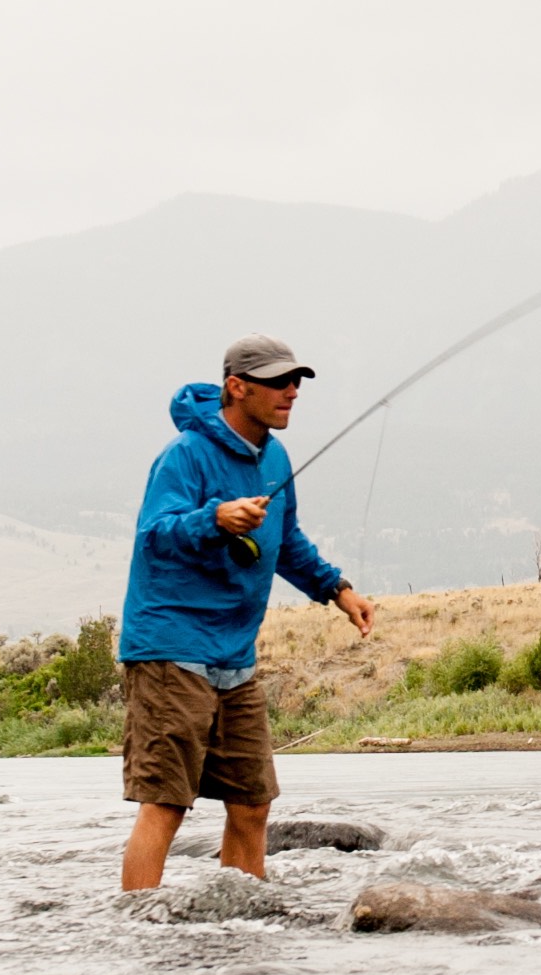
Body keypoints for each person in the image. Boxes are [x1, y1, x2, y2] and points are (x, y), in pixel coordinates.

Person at [116, 335, 375, 891]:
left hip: (235, 655)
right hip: (170, 648)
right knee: (166, 803)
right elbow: (153, 536)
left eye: (297, 381)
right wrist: (215, 518)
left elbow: (288, 539)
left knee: (253, 804)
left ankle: (244, 919)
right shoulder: (185, 454)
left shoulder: (275, 457)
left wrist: (337, 589)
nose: (292, 393)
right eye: (280, 382)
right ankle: (136, 925)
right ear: (237, 387)